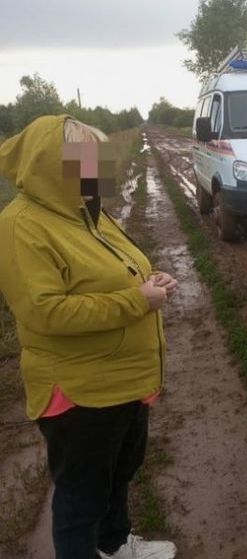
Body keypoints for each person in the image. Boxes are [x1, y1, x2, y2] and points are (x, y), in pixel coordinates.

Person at [0, 115, 177, 559]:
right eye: (81, 160)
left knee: (119, 474)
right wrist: (138, 300)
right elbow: (46, 312)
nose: (93, 169)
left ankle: (115, 546)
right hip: (81, 391)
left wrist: (149, 278)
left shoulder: (85, 212)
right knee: (81, 498)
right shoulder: (21, 225)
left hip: (122, 378)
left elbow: (115, 272)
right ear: (50, 165)